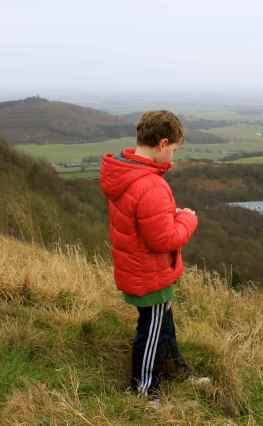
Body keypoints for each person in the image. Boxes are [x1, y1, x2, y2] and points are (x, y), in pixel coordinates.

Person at [100, 110, 203, 403]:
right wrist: (187, 219)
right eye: (173, 149)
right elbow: (163, 240)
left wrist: (171, 215)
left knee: (162, 322)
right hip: (150, 273)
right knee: (151, 332)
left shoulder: (126, 172)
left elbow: (144, 223)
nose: (173, 157)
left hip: (138, 267)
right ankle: (144, 391)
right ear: (162, 143)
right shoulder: (150, 184)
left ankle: (174, 368)